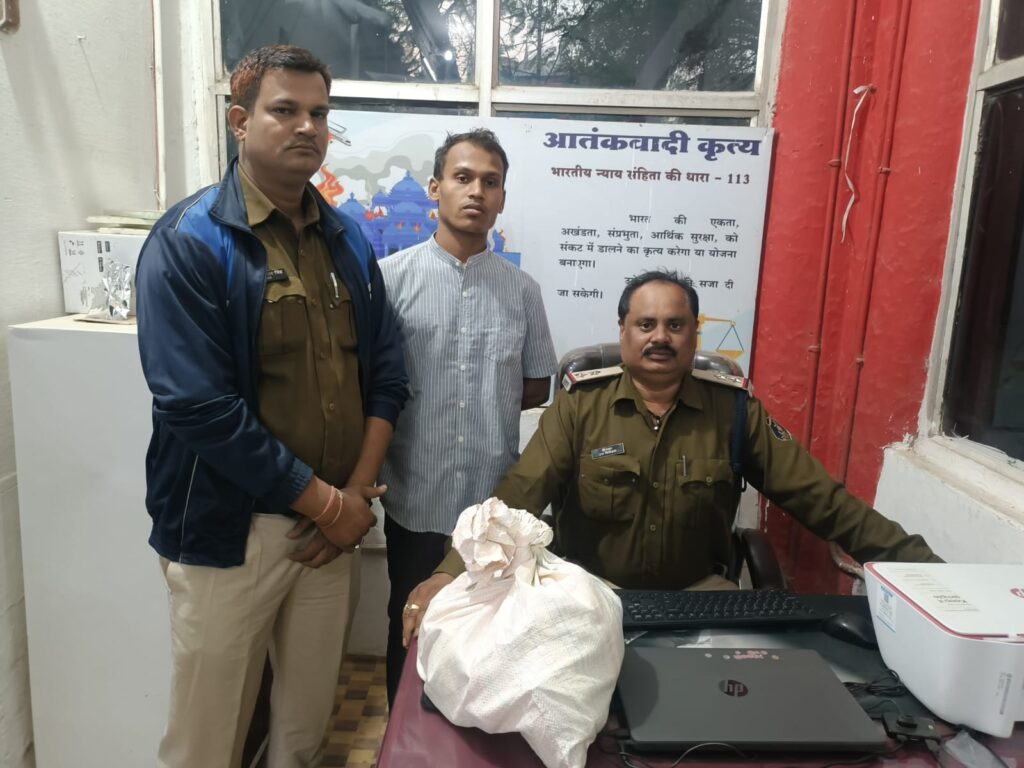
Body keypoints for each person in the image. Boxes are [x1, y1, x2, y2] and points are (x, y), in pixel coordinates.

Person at [401, 269, 940, 645]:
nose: (660, 337)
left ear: (694, 334)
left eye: (675, 325)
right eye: (646, 325)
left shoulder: (735, 412)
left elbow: (822, 500)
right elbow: (519, 495)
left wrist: (926, 571)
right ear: (623, 332)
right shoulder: (580, 407)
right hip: (590, 595)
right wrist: (448, 573)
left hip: (700, 597)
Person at [136, 45, 407, 768]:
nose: (307, 127)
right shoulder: (190, 240)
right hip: (230, 535)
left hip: (327, 536)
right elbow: (198, 406)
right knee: (206, 741)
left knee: (304, 734)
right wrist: (326, 502)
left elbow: (386, 374)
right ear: (239, 121)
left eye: (319, 113)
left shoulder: (347, 240)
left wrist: (352, 498)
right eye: (284, 110)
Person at [378, 128, 557, 704]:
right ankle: (405, 738)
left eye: (490, 181)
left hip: (492, 506)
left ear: (502, 197)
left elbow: (534, 386)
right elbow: (373, 387)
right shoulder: (389, 280)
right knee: (409, 627)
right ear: (435, 188)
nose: (476, 191)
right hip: (415, 497)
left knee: (491, 639)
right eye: (462, 177)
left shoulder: (523, 292)